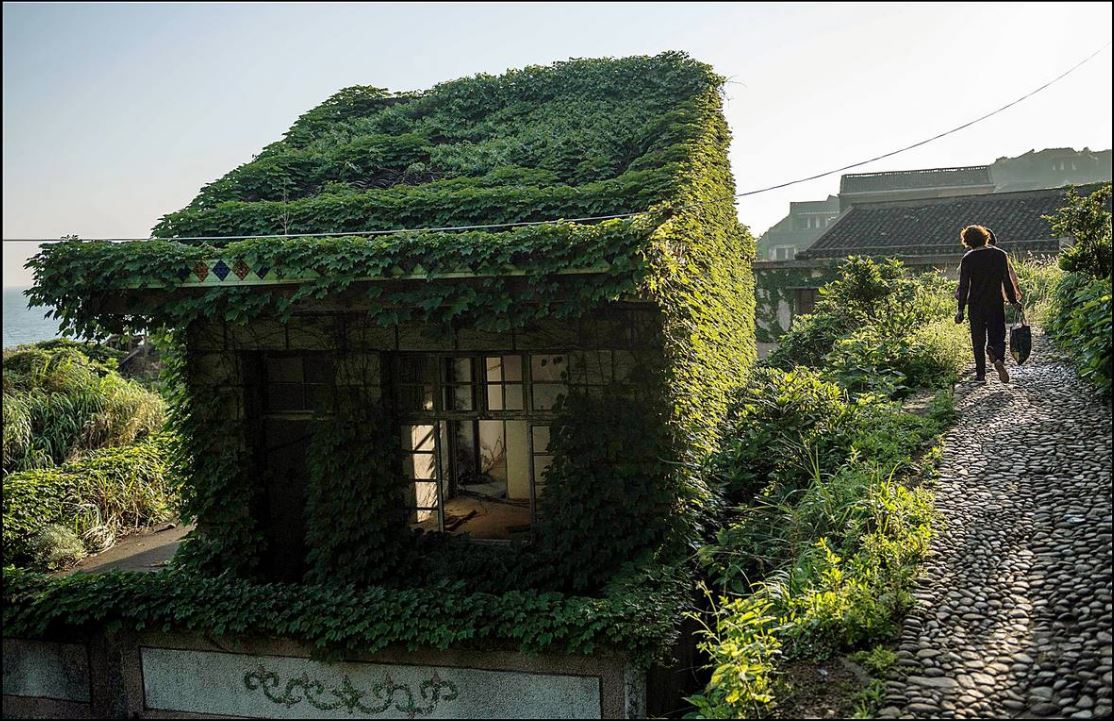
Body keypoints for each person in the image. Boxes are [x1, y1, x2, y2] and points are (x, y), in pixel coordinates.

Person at [955, 225, 1020, 383]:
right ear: (986, 237)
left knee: (977, 339)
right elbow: (1007, 280)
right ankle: (997, 356)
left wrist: (960, 310)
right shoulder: (999, 255)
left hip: (976, 305)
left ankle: (980, 375)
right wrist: (1013, 301)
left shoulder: (968, 259)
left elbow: (964, 286)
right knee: (997, 334)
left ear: (967, 241)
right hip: (995, 302)